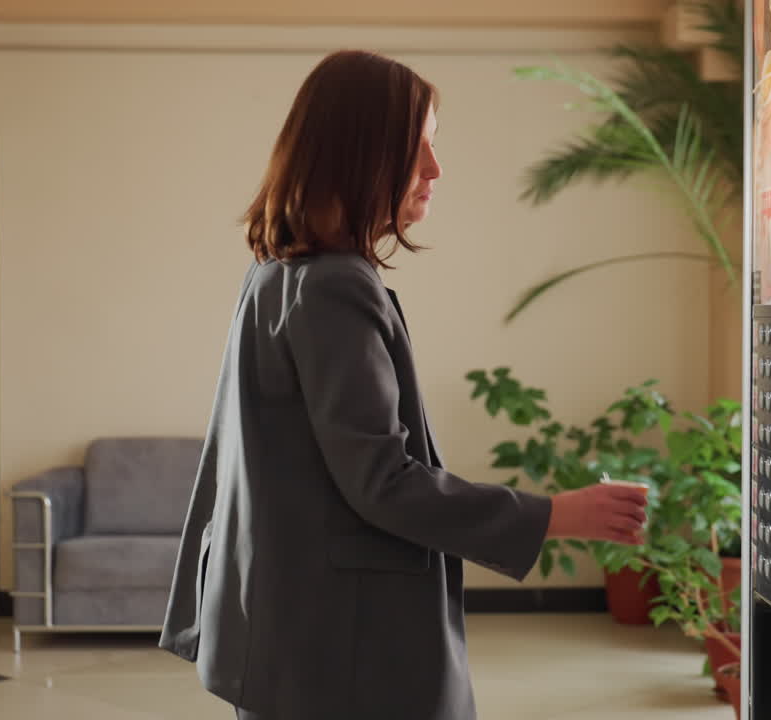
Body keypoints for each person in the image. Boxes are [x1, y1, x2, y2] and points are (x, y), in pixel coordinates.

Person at [159, 49, 649, 720]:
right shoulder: (334, 287)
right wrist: (557, 515)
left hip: (295, 639)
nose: (435, 170)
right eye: (417, 149)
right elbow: (382, 482)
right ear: (361, 155)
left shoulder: (277, 272)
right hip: (344, 653)